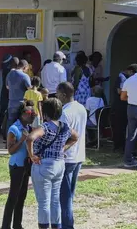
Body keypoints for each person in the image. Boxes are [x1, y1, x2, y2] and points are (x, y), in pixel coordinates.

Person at [26, 98, 78, 229]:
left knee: (43, 202)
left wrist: (32, 155)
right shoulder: (64, 126)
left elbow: (30, 138)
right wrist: (63, 148)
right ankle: (57, 226)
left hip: (44, 164)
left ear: (46, 112)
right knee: (55, 201)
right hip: (59, 164)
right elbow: (75, 136)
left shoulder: (45, 127)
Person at [1, 101, 36, 229]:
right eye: (29, 113)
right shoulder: (14, 129)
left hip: (25, 166)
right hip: (16, 166)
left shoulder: (28, 128)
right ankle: (5, 226)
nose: (32, 115)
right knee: (13, 197)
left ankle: (17, 225)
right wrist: (22, 140)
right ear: (21, 114)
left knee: (22, 197)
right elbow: (10, 150)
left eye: (34, 113)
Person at [57, 82, 87, 229]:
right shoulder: (81, 108)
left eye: (57, 94)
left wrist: (59, 150)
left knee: (65, 197)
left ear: (63, 94)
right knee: (69, 194)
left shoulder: (64, 112)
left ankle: (67, 225)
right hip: (79, 155)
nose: (56, 97)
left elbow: (63, 137)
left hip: (67, 157)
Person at [112, 64, 137, 151]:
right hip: (120, 106)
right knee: (120, 126)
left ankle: (123, 145)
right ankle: (119, 146)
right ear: (130, 71)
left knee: (124, 126)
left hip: (124, 105)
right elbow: (119, 91)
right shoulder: (122, 77)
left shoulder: (125, 78)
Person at [0, 55, 15, 142]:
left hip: (3, 95)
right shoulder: (11, 72)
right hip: (10, 96)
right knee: (10, 117)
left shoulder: (3, 71)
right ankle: (7, 136)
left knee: (1, 115)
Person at [7, 59, 32, 128]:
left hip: (11, 103)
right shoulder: (25, 76)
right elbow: (30, 89)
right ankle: (19, 138)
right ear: (24, 67)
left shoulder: (9, 74)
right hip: (21, 104)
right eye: (27, 69)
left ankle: (9, 137)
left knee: (10, 122)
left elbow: (7, 87)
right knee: (22, 123)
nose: (27, 71)